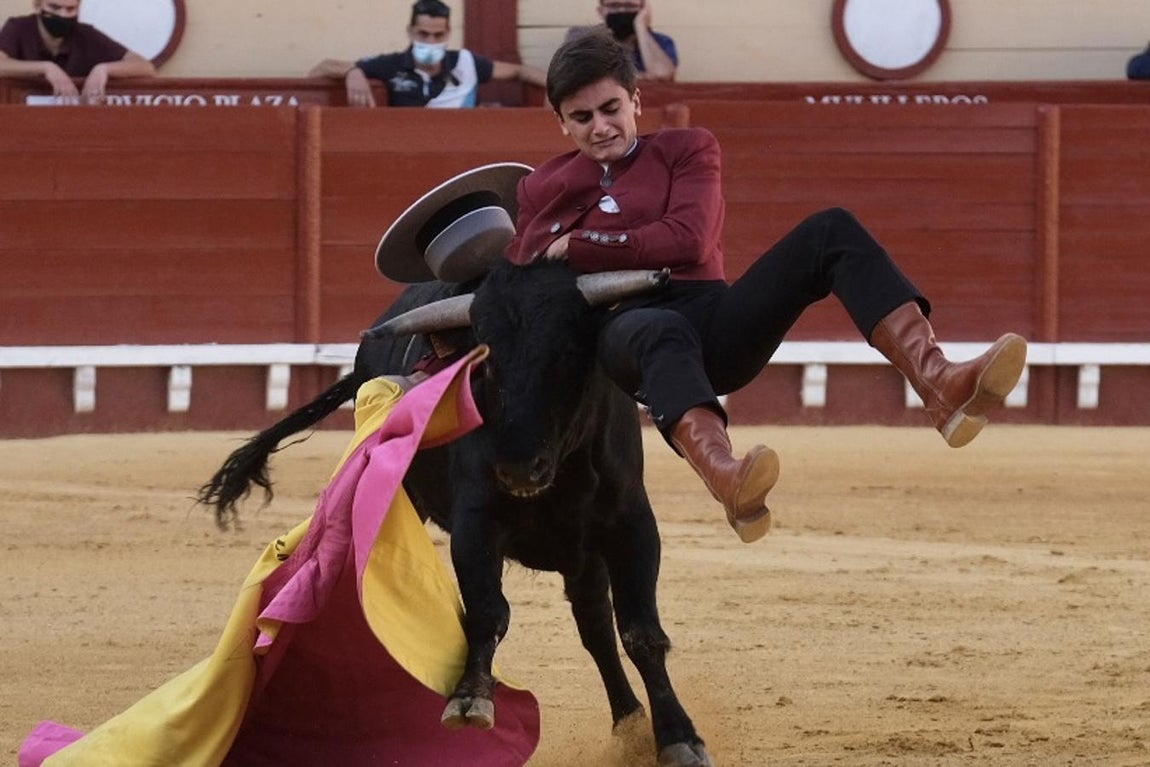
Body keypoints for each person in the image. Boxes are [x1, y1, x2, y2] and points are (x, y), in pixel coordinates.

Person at [504, 30, 1028, 544]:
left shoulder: (687, 148)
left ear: (636, 101)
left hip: (714, 321)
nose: (601, 127)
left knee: (831, 229)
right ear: (561, 123)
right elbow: (527, 276)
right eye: (582, 117)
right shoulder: (539, 187)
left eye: (611, 108)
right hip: (628, 335)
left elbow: (687, 240)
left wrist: (582, 243)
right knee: (654, 326)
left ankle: (939, 382)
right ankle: (727, 477)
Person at [309, 0, 546, 108]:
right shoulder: (391, 65)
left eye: (438, 35)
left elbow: (520, 71)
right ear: (411, 32)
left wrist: (559, 88)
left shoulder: (466, 62)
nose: (431, 41)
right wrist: (353, 71)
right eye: (423, 34)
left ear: (447, 33)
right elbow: (320, 69)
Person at [0, 0, 156, 101]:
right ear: (38, 6)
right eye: (55, 7)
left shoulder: (86, 35)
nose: (63, 14)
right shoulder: (18, 28)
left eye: (70, 9)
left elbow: (145, 66)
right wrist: (46, 68)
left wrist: (104, 70)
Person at [566, 0, 677, 81]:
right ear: (601, 11)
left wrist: (640, 26)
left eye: (630, 6)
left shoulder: (661, 41)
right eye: (614, 5)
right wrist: (645, 77)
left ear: (643, 10)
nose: (622, 10)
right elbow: (577, 77)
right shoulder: (581, 37)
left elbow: (662, 75)